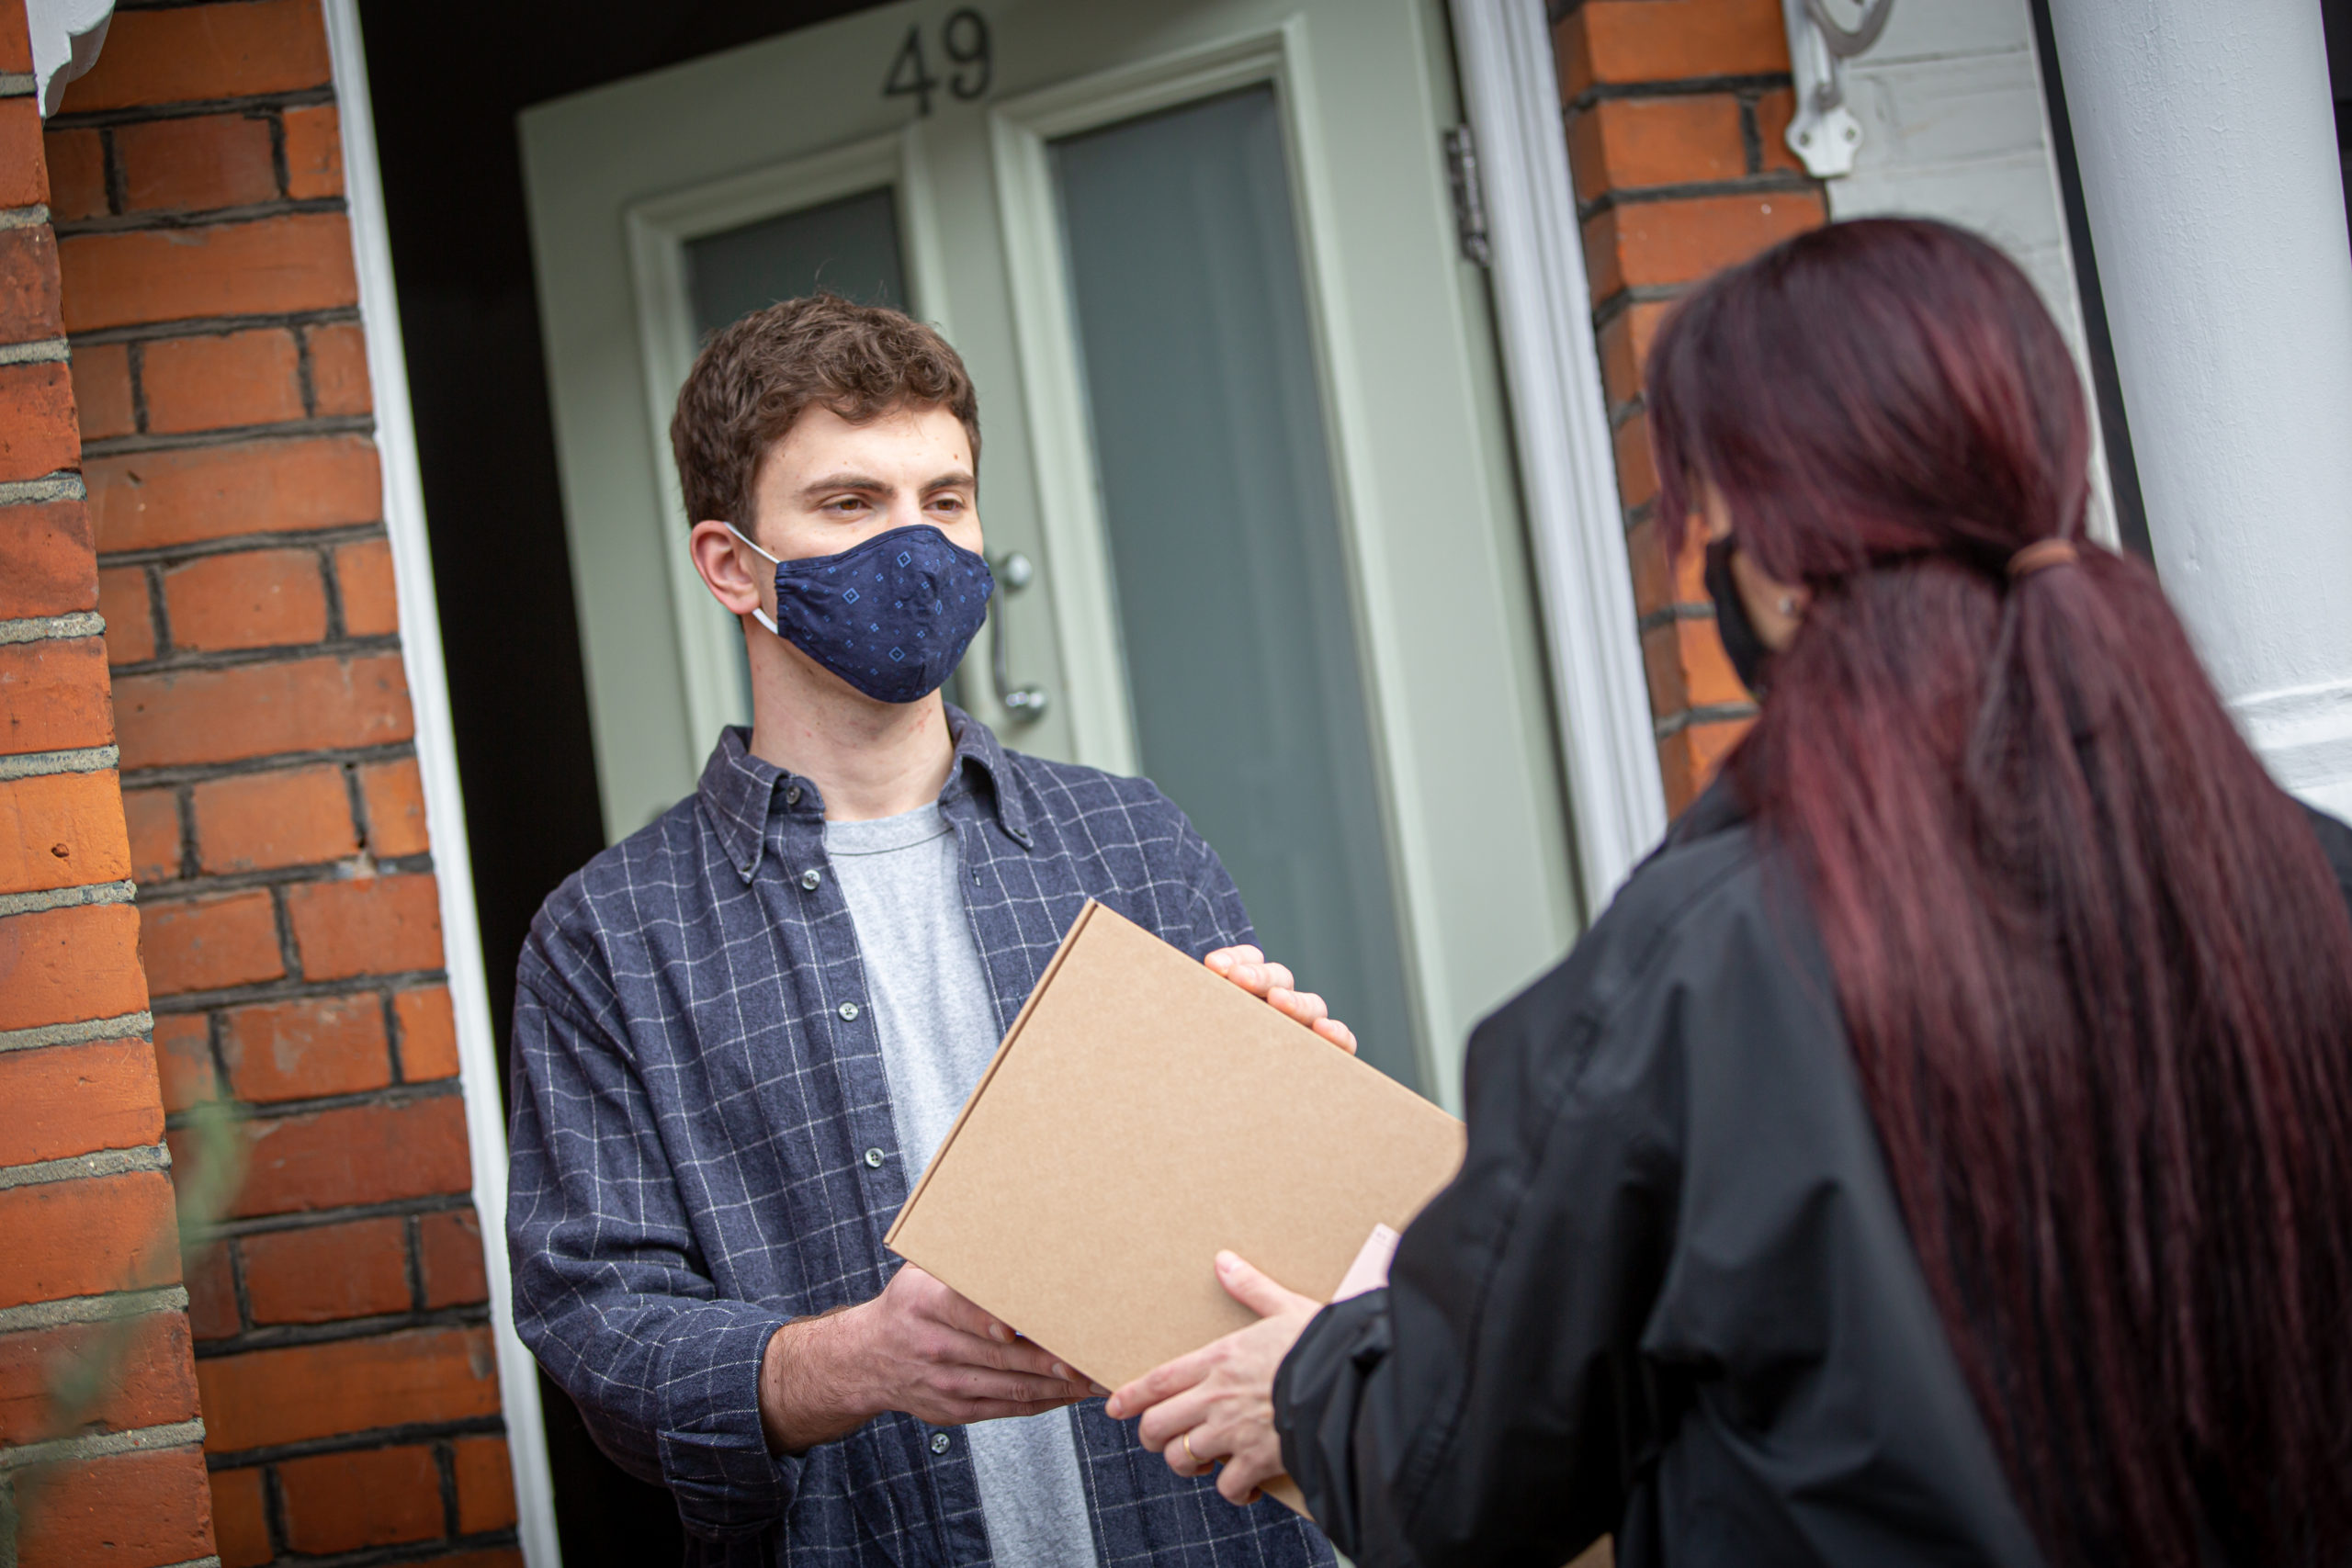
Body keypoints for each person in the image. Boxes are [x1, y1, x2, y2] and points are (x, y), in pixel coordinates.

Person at [1104, 219, 2352, 1567]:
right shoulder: (2308, 877)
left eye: (1692, 500)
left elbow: (1464, 1472)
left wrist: (1316, 1377)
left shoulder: (1699, 962)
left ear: (1764, 544)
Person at [507, 294, 1354, 1565]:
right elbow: (603, 1328)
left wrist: (1293, 1106)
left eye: (944, 500)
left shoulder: (1132, 842)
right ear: (733, 565)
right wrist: (862, 1360)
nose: (917, 546)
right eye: (851, 505)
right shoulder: (610, 939)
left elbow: (1287, 1250)